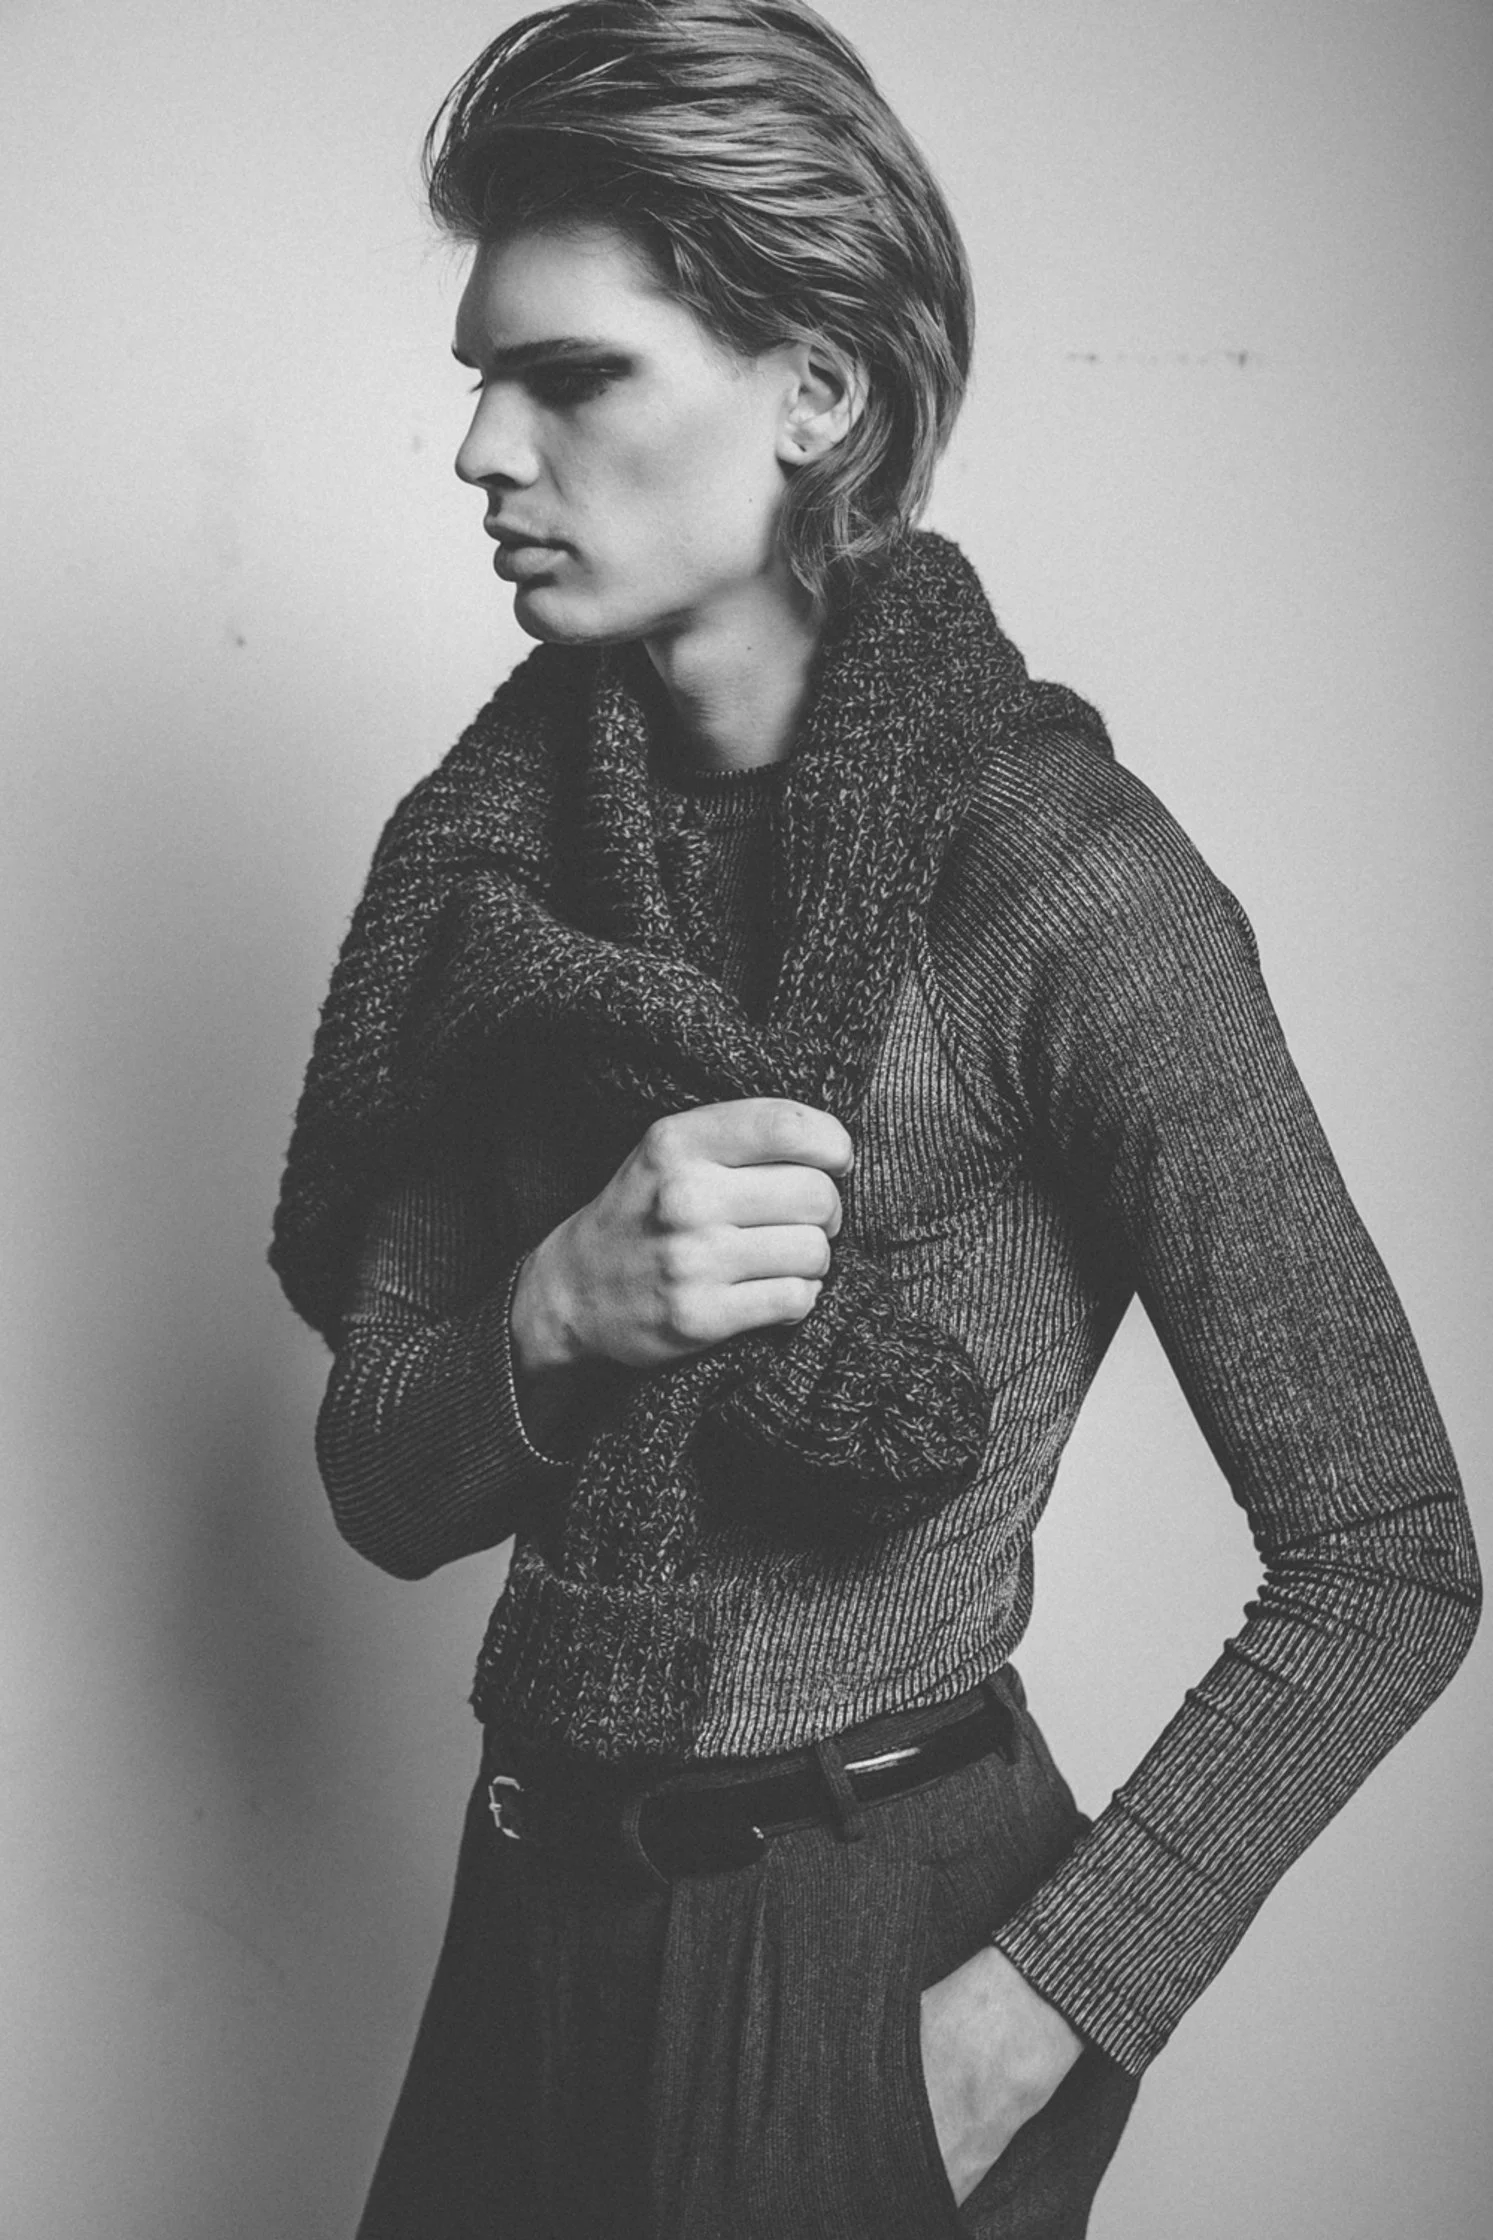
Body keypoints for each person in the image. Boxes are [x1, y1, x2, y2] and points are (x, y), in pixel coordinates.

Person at [269, 4, 1481, 2234]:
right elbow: (377, 1475)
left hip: (865, 1940)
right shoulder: (498, 874)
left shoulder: (1059, 882)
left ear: (814, 392)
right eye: (478, 374)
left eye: (570, 376)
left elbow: (1387, 1554)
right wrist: (557, 1314)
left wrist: (1041, 2009)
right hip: (526, 1911)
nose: (480, 448)